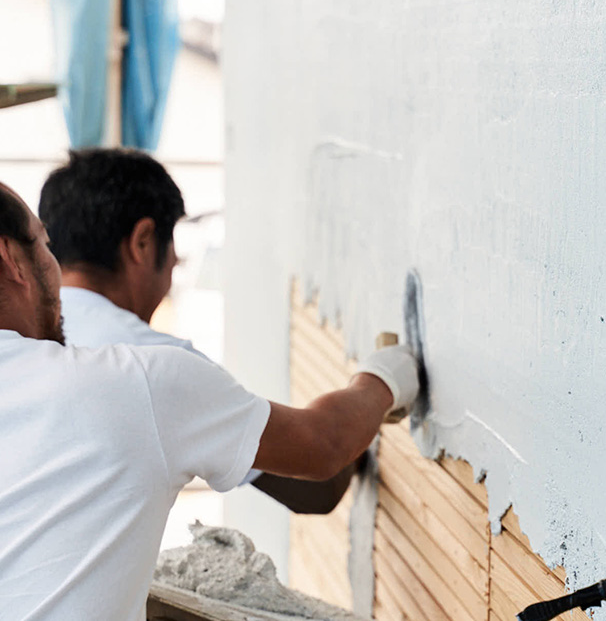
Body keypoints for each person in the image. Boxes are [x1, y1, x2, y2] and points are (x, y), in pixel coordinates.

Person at [0, 182, 418, 619]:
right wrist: (385, 378)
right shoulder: (139, 379)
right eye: (44, 243)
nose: (177, 263)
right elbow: (321, 450)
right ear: (11, 257)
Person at [39, 147, 362, 513]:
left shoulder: (19, 341)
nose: (176, 260)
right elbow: (316, 484)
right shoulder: (152, 363)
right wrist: (379, 387)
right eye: (172, 242)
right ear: (143, 242)